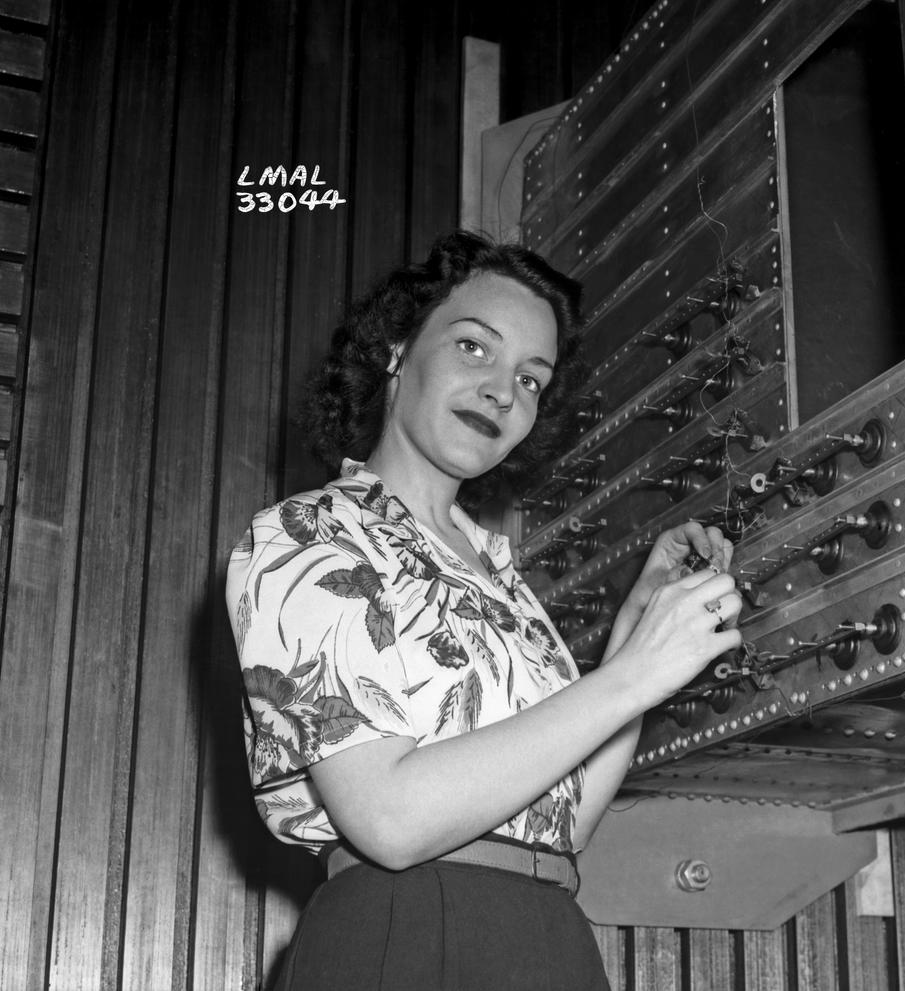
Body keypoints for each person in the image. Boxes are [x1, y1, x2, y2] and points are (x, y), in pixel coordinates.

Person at [226, 231, 742, 990]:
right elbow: (391, 820)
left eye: (533, 379)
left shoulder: (497, 574)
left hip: (549, 930)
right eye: (475, 347)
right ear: (398, 350)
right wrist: (632, 674)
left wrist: (639, 625)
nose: (506, 390)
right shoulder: (307, 535)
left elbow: (567, 821)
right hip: (409, 930)